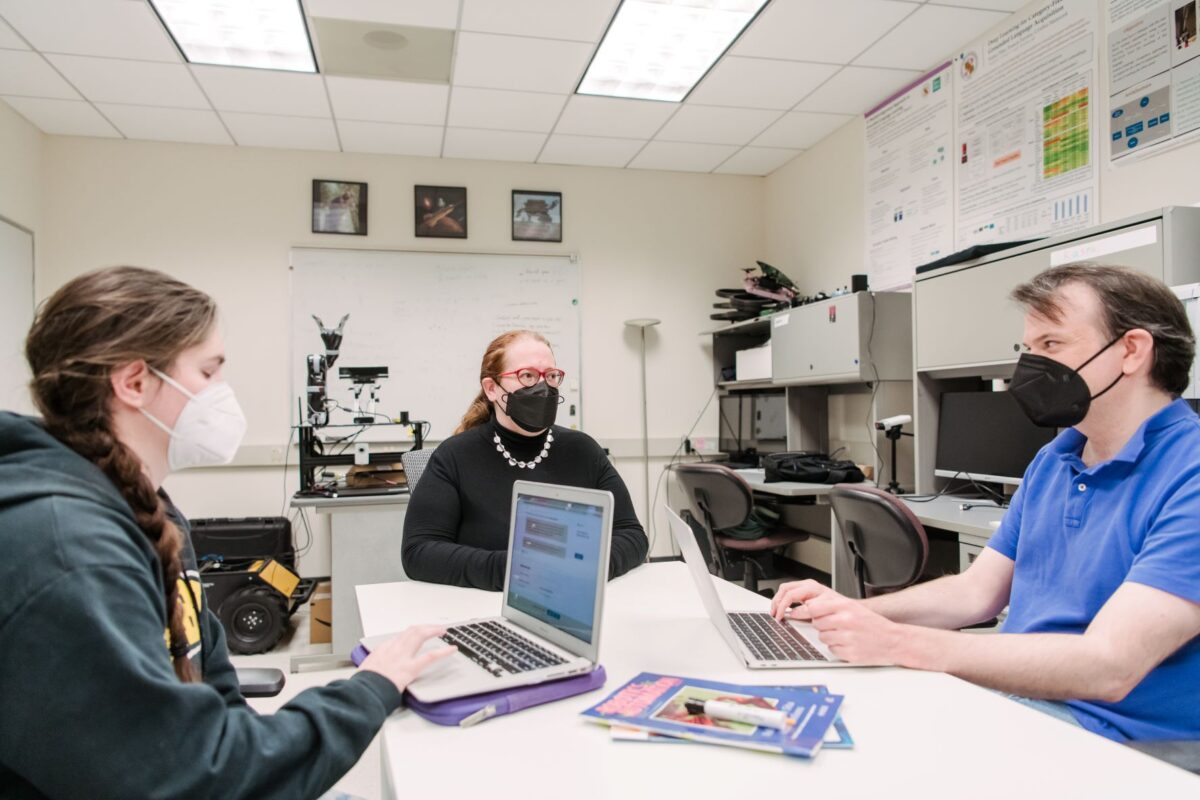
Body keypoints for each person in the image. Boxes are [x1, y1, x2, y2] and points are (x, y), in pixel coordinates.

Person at [0, 266, 454, 799]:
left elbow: (211, 698)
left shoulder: (147, 508)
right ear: (135, 382)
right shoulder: (69, 552)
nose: (223, 394)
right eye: (209, 372)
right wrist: (372, 687)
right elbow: (196, 776)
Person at [771, 264, 1200, 742]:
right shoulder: (1056, 458)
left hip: (1121, 737)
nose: (1030, 368)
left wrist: (897, 642)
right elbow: (976, 594)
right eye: (1029, 349)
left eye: (1052, 345)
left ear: (1132, 351)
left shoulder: (1190, 471)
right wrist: (854, 611)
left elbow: (1109, 666)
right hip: (1027, 699)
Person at [402, 330, 648, 590]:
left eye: (551, 376)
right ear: (492, 388)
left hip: (568, 602)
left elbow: (632, 535)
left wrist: (590, 568)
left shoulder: (582, 450)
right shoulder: (453, 456)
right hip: (480, 609)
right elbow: (418, 552)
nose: (542, 387)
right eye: (527, 376)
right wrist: (517, 570)